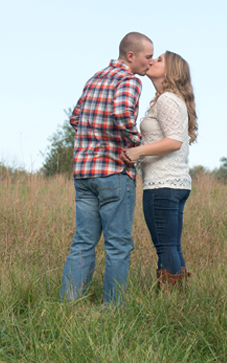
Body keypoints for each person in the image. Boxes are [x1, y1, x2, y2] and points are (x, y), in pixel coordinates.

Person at [60, 32, 154, 304]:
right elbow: (123, 114)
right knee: (118, 245)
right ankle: (113, 309)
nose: (149, 63)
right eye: (148, 57)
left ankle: (69, 304)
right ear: (131, 56)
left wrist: (95, 139)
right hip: (113, 172)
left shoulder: (95, 78)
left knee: (83, 242)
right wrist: (134, 144)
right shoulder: (129, 80)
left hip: (84, 172)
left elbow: (75, 118)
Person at [122, 51, 198, 291]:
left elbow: (174, 141)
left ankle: (171, 300)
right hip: (175, 184)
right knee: (172, 246)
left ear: (171, 71)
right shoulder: (169, 99)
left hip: (162, 185)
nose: (152, 60)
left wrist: (137, 152)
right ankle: (179, 298)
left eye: (160, 59)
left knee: (165, 247)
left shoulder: (167, 99)